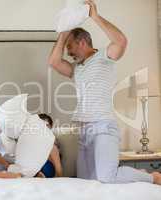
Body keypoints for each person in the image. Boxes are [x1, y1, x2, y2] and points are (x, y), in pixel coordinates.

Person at [48, 0, 161, 184]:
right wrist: (64, 32)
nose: (67, 52)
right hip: (85, 130)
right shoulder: (77, 68)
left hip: (103, 127)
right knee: (87, 183)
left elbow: (121, 41)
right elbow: (53, 62)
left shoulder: (105, 57)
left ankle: (152, 177)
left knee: (107, 177)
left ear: (82, 42)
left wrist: (95, 17)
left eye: (70, 47)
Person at [0, 87, 62, 177]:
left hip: (0, 152)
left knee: (12, 155)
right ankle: (33, 173)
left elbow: (8, 127)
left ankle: (32, 173)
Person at [38, 113, 63, 178]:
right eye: (41, 125)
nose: (44, 128)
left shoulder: (52, 141)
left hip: (47, 168)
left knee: (51, 147)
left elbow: (57, 166)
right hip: (33, 167)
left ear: (51, 127)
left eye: (46, 125)